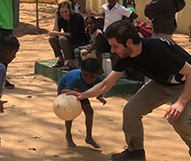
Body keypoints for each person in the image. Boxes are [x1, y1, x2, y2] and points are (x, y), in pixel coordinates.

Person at [64, 20, 191, 160]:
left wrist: (180, 103)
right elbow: (106, 84)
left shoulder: (157, 49)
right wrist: (83, 94)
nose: (112, 50)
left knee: (180, 120)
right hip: (162, 84)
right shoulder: (126, 56)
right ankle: (135, 152)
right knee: (131, 111)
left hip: (186, 83)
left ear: (129, 42)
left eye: (115, 46)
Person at [58, 58, 106, 148]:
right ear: (81, 71)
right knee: (69, 112)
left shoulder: (98, 80)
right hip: (67, 92)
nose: (88, 79)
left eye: (92, 76)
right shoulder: (75, 78)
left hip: (80, 92)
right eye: (85, 75)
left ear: (97, 74)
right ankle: (68, 135)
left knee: (89, 112)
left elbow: (99, 89)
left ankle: (89, 137)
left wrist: (100, 97)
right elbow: (65, 91)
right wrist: (75, 105)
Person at [101, 0, 138, 68]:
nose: (111, 0)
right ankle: (100, 70)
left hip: (115, 34)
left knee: (114, 54)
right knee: (99, 51)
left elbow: (134, 15)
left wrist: (123, 24)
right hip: (106, 33)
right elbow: (104, 15)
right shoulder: (104, 7)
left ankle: (115, 70)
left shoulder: (121, 9)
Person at [49, 1, 89, 70]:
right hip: (69, 39)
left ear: (69, 10)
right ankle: (61, 60)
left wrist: (59, 33)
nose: (64, 14)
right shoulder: (61, 19)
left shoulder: (77, 17)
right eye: (61, 12)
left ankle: (70, 62)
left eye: (66, 12)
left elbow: (73, 34)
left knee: (62, 39)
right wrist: (56, 17)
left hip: (79, 40)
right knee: (52, 38)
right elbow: (55, 31)